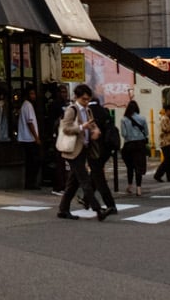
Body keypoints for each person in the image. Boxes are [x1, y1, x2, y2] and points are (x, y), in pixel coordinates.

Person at [55, 86, 109, 220]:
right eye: (84, 99)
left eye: (88, 99)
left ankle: (63, 209)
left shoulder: (88, 110)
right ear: (77, 97)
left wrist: (95, 130)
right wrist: (81, 127)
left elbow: (92, 124)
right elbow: (66, 128)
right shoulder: (72, 110)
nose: (86, 102)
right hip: (73, 150)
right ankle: (97, 209)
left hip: (84, 148)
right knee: (85, 180)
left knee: (73, 182)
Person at [87, 98, 120, 215]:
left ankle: (110, 204)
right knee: (93, 175)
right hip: (107, 149)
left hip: (94, 149)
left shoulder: (89, 112)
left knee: (97, 177)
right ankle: (86, 199)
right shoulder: (104, 111)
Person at [120, 99, 150, 196]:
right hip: (140, 144)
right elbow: (146, 132)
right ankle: (139, 188)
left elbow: (124, 134)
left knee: (130, 166)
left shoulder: (124, 119)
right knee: (138, 166)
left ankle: (129, 186)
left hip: (129, 145)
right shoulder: (142, 118)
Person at [15, 86, 41, 190]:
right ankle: (31, 183)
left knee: (31, 161)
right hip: (29, 138)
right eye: (31, 94)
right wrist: (36, 137)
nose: (33, 96)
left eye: (34, 94)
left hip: (26, 138)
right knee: (34, 161)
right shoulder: (28, 106)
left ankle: (30, 183)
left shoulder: (25, 105)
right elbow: (30, 122)